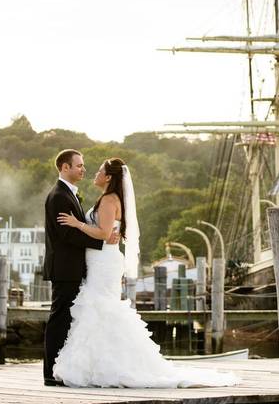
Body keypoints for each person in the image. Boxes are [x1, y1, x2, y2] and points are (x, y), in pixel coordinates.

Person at [52, 157, 237, 388]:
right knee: (99, 308)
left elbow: (102, 233)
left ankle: (104, 365)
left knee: (100, 308)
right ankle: (102, 363)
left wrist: (77, 224)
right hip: (100, 260)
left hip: (103, 262)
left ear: (108, 177)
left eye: (99, 170)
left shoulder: (109, 200)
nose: (93, 173)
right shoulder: (108, 199)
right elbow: (106, 233)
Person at [43, 149, 115, 387]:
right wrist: (101, 240)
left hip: (73, 268)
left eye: (84, 166)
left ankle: (63, 369)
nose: (83, 170)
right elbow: (67, 234)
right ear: (65, 167)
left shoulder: (68, 194)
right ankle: (50, 373)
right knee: (59, 319)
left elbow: (76, 229)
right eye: (79, 166)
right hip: (64, 269)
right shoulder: (59, 196)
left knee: (68, 319)